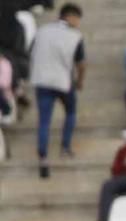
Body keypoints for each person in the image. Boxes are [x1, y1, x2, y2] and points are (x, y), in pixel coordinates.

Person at [29, 3, 85, 179]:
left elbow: (31, 51)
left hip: (42, 80)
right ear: (69, 17)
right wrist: (80, 81)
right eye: (77, 18)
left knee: (44, 120)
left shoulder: (41, 31)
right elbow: (81, 63)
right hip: (62, 80)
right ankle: (65, 147)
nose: (78, 22)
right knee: (71, 111)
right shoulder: (75, 36)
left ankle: (43, 157)